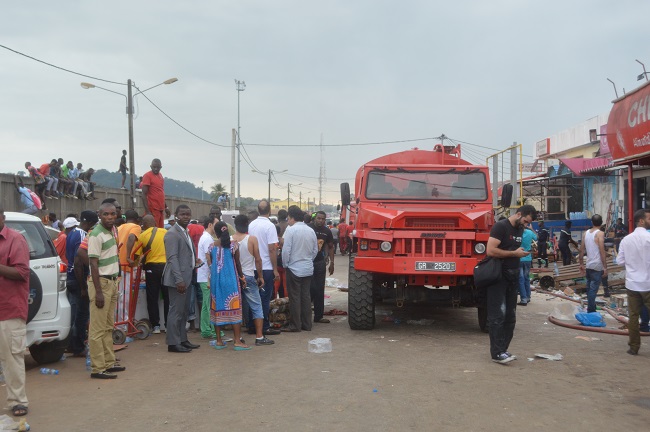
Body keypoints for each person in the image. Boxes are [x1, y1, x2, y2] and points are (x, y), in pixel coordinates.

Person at [485, 204, 537, 364]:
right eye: (526, 221)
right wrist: (514, 253)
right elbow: (490, 250)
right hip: (498, 277)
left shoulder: (520, 229)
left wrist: (521, 253)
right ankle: (496, 353)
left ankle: (503, 350)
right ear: (519, 214)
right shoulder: (500, 227)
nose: (526, 225)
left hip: (512, 277)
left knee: (510, 317)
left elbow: (514, 249)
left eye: (528, 223)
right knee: (497, 316)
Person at [87, 202, 125, 379]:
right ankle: (98, 368)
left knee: (108, 327)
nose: (110, 217)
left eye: (112, 214)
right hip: (101, 284)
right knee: (97, 329)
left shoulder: (112, 231)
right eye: (106, 214)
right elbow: (93, 264)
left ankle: (109, 362)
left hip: (111, 282)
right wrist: (99, 292)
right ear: (99, 215)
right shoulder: (96, 234)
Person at [0, 207, 30, 417]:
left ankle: (18, 401)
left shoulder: (15, 239)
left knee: (12, 358)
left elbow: (21, 272)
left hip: (8, 309)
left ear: (2, 218)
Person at [162, 205, 200, 353]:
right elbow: (172, 258)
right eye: (183, 214)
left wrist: (194, 262)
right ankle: (173, 343)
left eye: (188, 214)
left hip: (187, 277)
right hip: (178, 280)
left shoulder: (185, 232)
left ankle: (182, 339)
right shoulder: (172, 234)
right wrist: (179, 280)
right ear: (176, 215)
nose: (186, 217)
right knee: (176, 311)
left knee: (184, 312)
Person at [232, 215, 274, 346]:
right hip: (249, 276)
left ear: (235, 225)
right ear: (247, 224)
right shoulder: (252, 239)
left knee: (236, 307)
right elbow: (258, 259)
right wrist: (260, 276)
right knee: (256, 306)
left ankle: (238, 337)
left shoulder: (230, 239)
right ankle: (259, 337)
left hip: (235, 277)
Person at [208, 221, 250, 350]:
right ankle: (237, 341)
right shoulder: (233, 246)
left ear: (216, 233)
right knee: (234, 307)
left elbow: (212, 264)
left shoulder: (211, 246)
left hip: (216, 281)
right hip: (231, 280)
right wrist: (242, 277)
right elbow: (237, 263)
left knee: (216, 307)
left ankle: (219, 341)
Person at [616, 209, 650, 355]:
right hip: (648, 283)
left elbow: (619, 261)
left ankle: (634, 347)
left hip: (632, 284)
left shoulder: (626, 240)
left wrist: (632, 264)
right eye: (649, 218)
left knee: (634, 317)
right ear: (641, 221)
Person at [281, 206, 318, 332]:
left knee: (295, 297)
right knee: (306, 297)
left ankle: (295, 325)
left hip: (294, 268)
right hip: (307, 268)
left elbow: (286, 251)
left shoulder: (291, 230)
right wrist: (308, 260)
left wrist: (286, 264)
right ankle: (307, 324)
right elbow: (315, 250)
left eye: (288, 218)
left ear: (292, 218)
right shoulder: (310, 230)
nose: (288, 221)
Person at [247, 200, 281, 336]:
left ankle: (252, 326)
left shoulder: (251, 225)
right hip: (266, 267)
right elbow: (272, 249)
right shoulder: (270, 226)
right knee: (264, 298)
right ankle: (264, 326)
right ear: (270, 210)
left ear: (258, 210)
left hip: (252, 267)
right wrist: (275, 269)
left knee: (252, 297)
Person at [66, 211, 98, 356]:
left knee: (74, 314)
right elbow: (78, 262)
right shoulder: (81, 235)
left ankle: (71, 345)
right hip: (78, 279)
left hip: (71, 277)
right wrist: (83, 287)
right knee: (81, 315)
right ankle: (78, 347)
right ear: (90, 223)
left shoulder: (72, 232)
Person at [130, 215, 168, 334]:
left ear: (145, 224)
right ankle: (168, 325)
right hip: (166, 268)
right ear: (155, 223)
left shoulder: (142, 235)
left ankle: (156, 326)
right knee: (167, 297)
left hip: (152, 268)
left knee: (152, 297)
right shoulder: (166, 232)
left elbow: (136, 255)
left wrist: (135, 264)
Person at [578, 214, 608, 313]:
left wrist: (581, 264)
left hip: (589, 264)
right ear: (601, 223)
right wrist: (605, 267)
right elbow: (602, 251)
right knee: (593, 289)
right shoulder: (600, 234)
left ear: (592, 222)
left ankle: (591, 307)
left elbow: (581, 250)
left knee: (589, 288)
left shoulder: (585, 233)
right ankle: (591, 310)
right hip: (597, 265)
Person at [116, 210, 141, 327]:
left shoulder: (119, 227)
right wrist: (128, 257)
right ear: (137, 219)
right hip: (126, 266)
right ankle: (123, 324)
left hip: (117, 265)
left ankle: (119, 321)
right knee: (124, 297)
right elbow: (131, 237)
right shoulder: (135, 227)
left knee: (119, 296)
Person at [310, 211, 335, 323]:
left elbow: (330, 246)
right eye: (319, 218)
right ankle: (305, 316)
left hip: (320, 263)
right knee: (309, 289)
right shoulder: (308, 228)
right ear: (315, 218)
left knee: (320, 289)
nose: (320, 220)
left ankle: (318, 316)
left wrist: (332, 262)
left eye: (323, 219)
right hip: (308, 263)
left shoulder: (327, 231)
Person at [197, 216, 218, 339]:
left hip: (204, 275)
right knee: (209, 304)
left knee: (206, 305)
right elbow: (208, 255)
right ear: (210, 225)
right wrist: (213, 270)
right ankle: (212, 330)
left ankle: (206, 329)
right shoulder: (207, 238)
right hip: (207, 276)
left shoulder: (205, 237)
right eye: (216, 224)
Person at [141, 159, 167, 228]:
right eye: (154, 167)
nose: (156, 169)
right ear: (151, 166)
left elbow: (161, 192)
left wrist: (166, 207)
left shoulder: (160, 175)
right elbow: (143, 194)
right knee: (154, 230)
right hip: (153, 209)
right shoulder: (147, 175)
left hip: (161, 209)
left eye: (158, 167)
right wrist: (147, 211)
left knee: (161, 230)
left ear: (161, 167)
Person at [518, 221, 537, 306]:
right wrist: (532, 229)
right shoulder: (530, 232)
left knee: (520, 279)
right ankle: (528, 297)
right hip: (528, 259)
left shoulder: (517, 234)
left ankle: (523, 299)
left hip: (519, 258)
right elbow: (536, 238)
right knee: (526, 278)